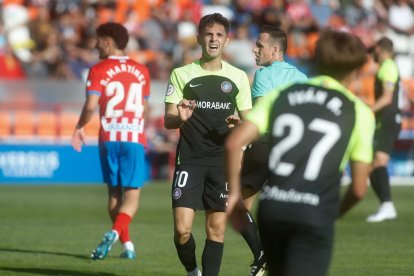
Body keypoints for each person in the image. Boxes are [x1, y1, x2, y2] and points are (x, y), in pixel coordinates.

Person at [226, 30, 375, 276]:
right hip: (313, 211)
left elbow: (234, 143)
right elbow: (359, 189)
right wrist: (333, 215)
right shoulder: (359, 112)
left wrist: (233, 195)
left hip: (273, 208)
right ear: (357, 68)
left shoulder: (283, 95)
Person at [164, 13, 252, 276]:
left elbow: (250, 124)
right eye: (209, 34)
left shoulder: (238, 78)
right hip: (190, 160)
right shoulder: (181, 74)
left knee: (216, 230)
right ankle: (192, 270)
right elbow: (168, 120)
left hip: (222, 163)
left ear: (226, 41)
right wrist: (179, 117)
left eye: (219, 35)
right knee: (182, 230)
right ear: (199, 38)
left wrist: (239, 124)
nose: (214, 40)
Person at [71, 22, 151, 260]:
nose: (95, 45)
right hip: (133, 136)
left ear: (107, 41)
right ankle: (117, 233)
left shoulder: (98, 70)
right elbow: (144, 108)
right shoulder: (142, 71)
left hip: (108, 137)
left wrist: (79, 126)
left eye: (98, 40)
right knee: (132, 194)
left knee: (114, 194)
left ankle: (127, 246)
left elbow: (91, 105)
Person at [238, 25, 308, 276]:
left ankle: (261, 256)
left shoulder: (263, 75)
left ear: (275, 50)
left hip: (266, 146)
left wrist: (241, 129)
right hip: (294, 151)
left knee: (236, 205)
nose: (254, 49)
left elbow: (260, 117)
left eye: (260, 46)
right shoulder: (302, 77)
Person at [366, 37, 402, 222]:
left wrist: (367, 110)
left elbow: (387, 98)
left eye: (374, 49)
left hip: (388, 120)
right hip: (387, 121)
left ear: (379, 49)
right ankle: (386, 205)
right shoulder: (388, 66)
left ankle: (387, 206)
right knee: (373, 165)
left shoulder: (387, 66)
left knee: (377, 163)